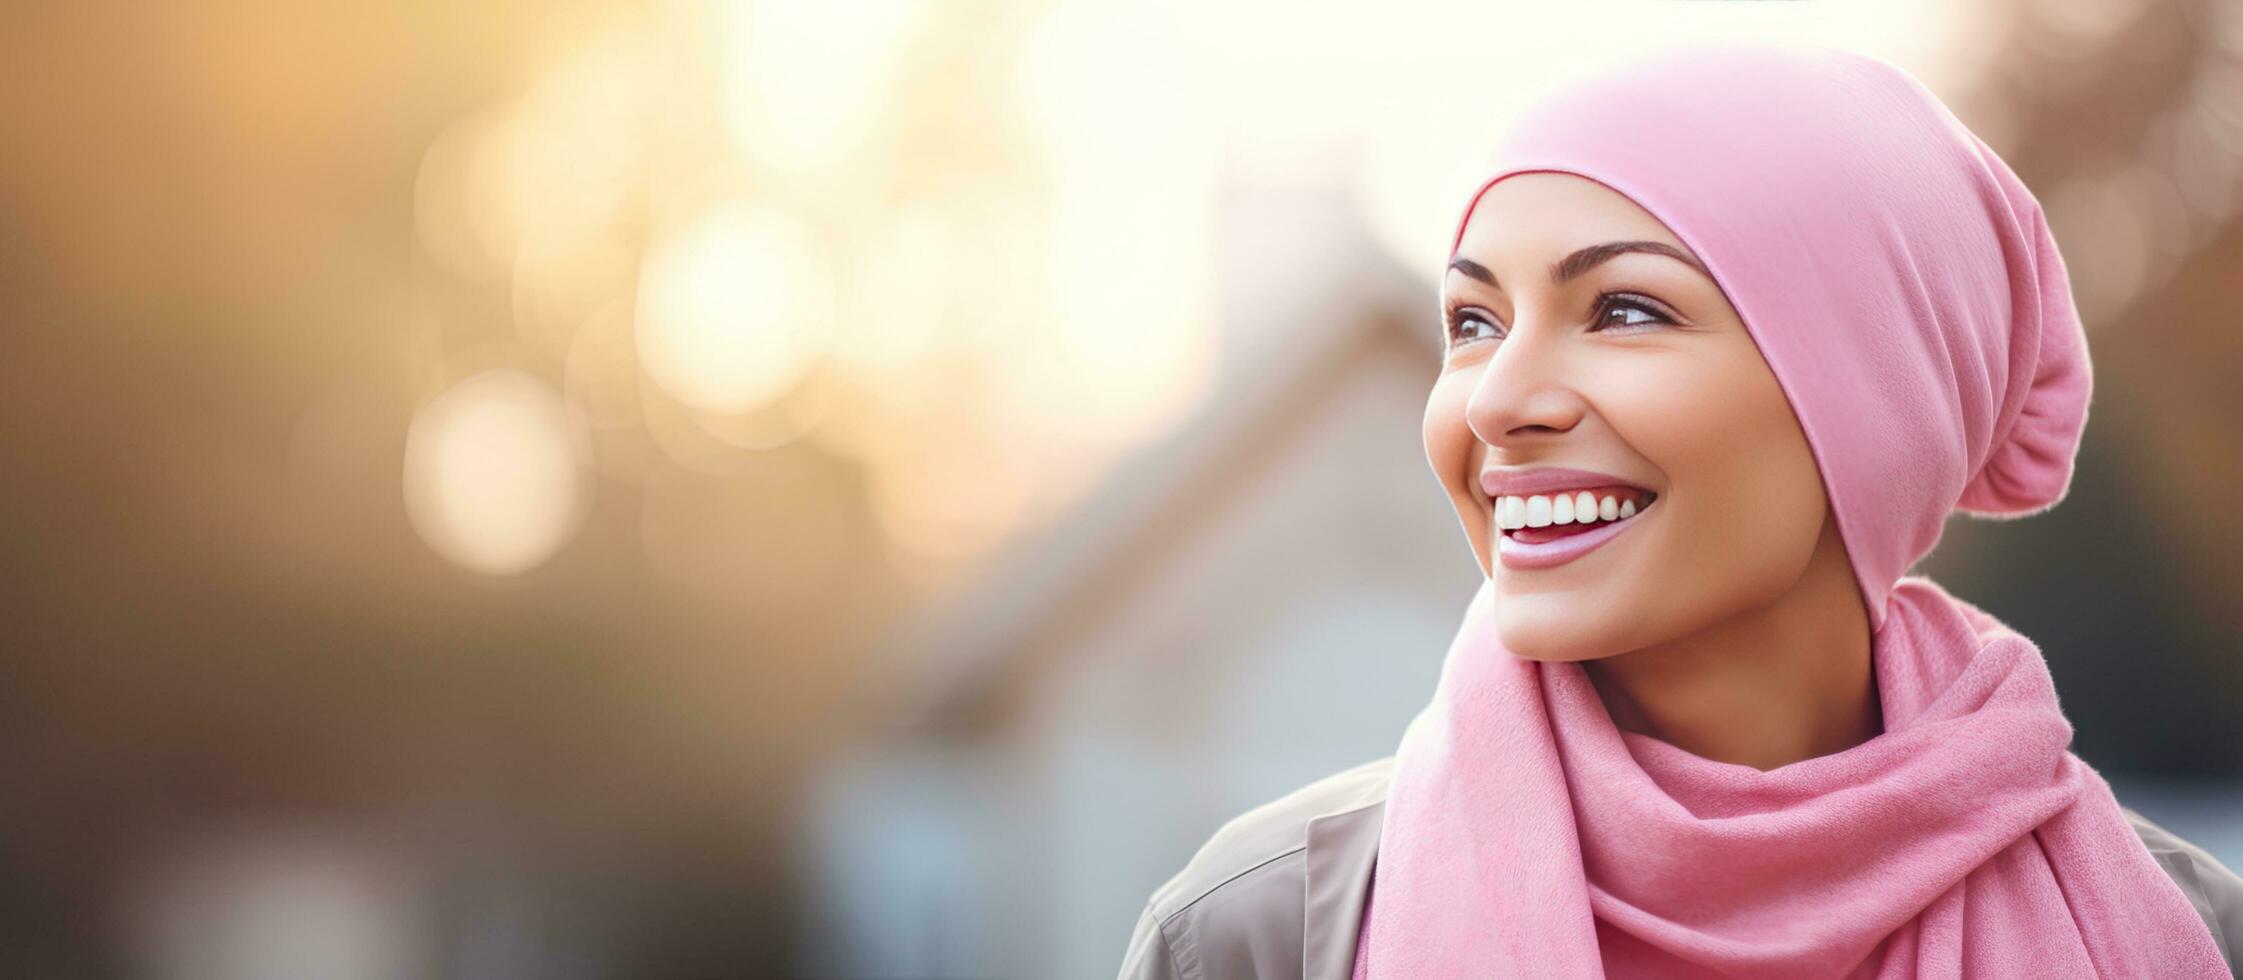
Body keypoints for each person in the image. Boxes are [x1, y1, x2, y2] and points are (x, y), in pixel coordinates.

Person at [1117, 42, 2243, 979]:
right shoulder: (1260, 939)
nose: (1498, 399)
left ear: (1868, 402)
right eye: (1472, 321)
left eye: (1622, 308)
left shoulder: (2181, 936)